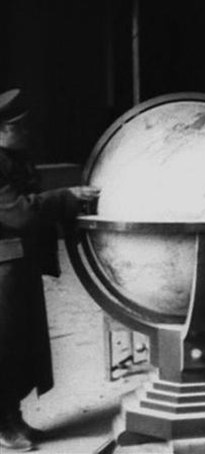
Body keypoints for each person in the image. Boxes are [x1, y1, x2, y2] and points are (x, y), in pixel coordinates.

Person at [0, 88, 100, 451]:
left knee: (22, 344)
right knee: (5, 344)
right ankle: (4, 424)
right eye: (20, 126)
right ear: (2, 129)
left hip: (17, 264)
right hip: (2, 268)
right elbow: (19, 212)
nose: (27, 132)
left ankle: (14, 417)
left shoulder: (15, 158)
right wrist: (68, 197)